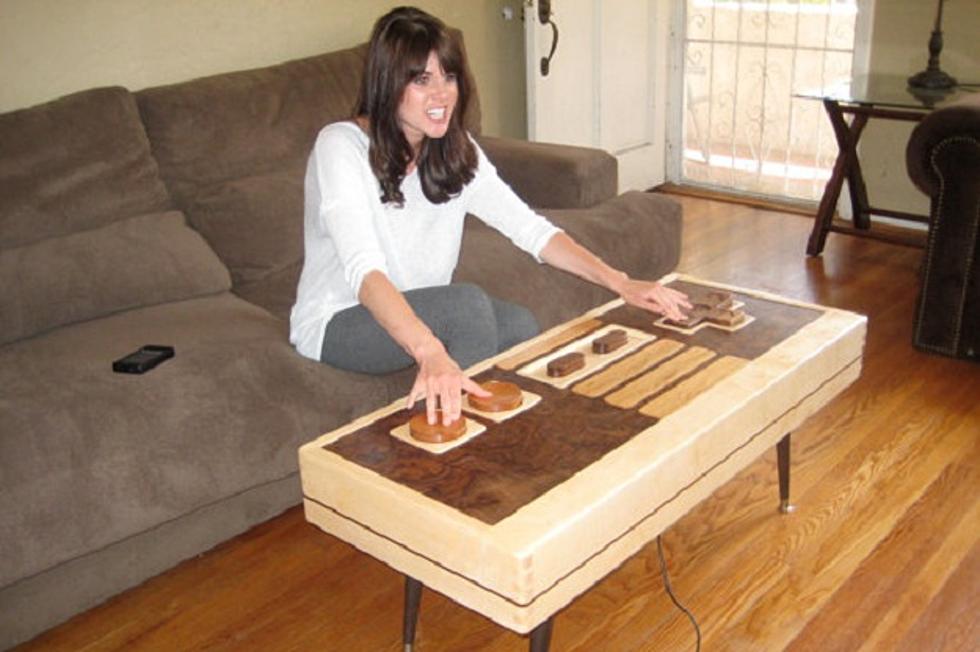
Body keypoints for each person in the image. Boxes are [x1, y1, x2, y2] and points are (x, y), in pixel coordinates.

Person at [290, 6, 689, 428]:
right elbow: (364, 271)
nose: (442, 94)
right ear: (389, 82)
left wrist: (621, 282)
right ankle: (456, 457)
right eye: (422, 80)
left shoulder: (454, 149)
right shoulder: (341, 147)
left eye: (449, 77)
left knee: (520, 325)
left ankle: (519, 439)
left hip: (420, 304)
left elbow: (530, 229)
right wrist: (431, 352)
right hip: (339, 320)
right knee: (467, 307)